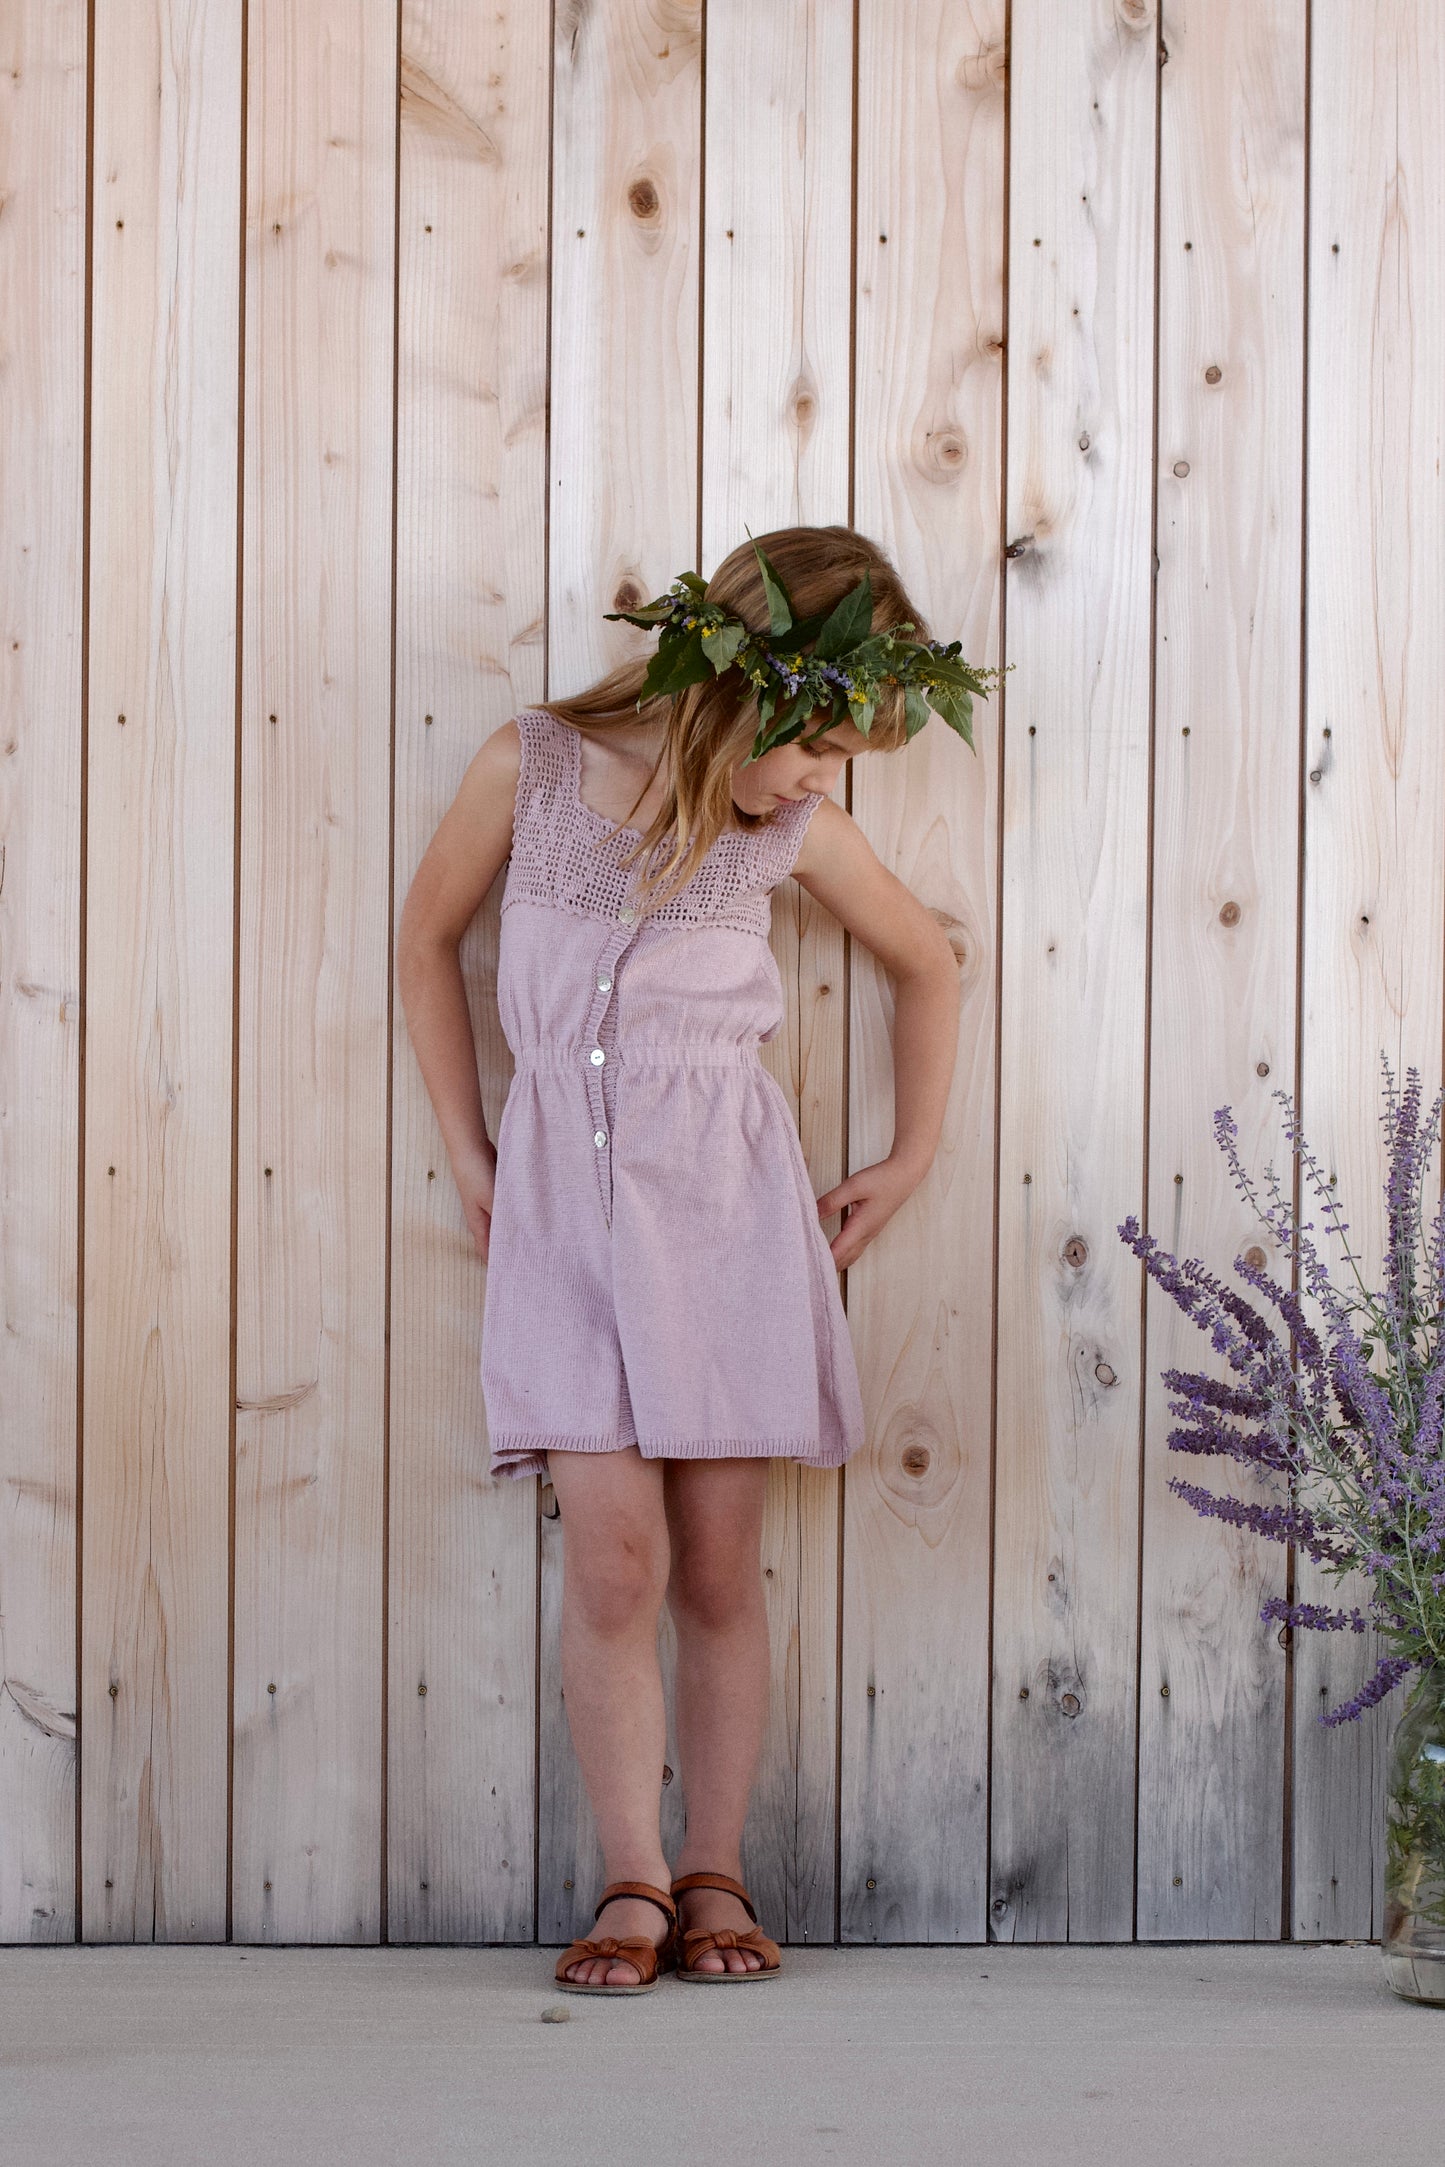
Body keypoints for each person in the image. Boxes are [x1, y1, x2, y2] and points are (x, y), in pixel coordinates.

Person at [397, 524, 1000, 1992]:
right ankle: (632, 1881)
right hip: (561, 1219)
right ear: (739, 693)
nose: (824, 781)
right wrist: (473, 1150)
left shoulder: (783, 835)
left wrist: (909, 1158)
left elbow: (927, 961)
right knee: (611, 1564)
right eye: (815, 747)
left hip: (725, 1219)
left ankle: (716, 1869)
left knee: (720, 1566)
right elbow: (423, 945)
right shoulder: (527, 770)